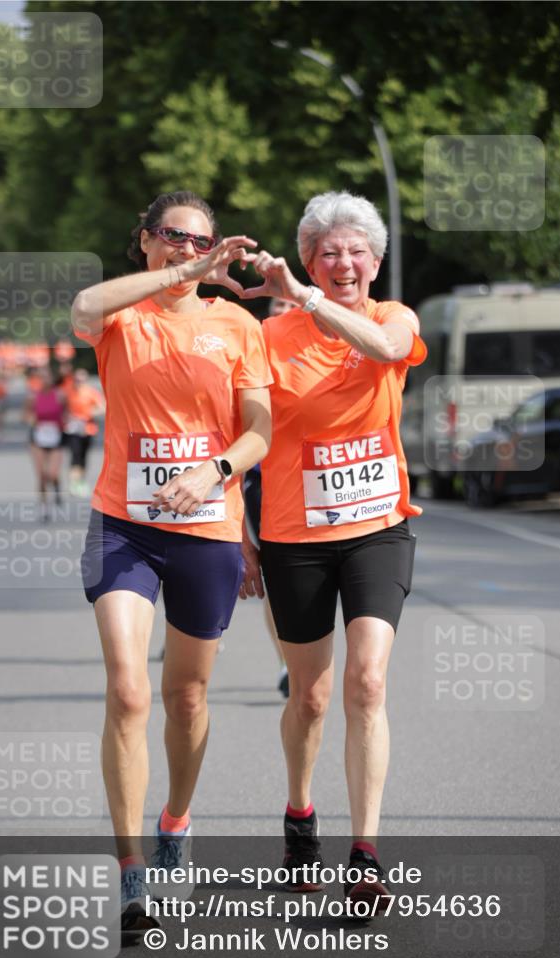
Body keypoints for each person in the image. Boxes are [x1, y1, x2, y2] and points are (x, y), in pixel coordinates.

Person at [70, 190, 271, 936]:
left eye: (200, 242)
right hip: (123, 523)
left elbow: (259, 431)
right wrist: (177, 273)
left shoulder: (237, 326)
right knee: (127, 693)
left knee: (185, 698)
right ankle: (130, 875)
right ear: (147, 241)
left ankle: (176, 821)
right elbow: (84, 303)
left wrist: (215, 473)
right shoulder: (121, 314)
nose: (187, 249)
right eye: (172, 237)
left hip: (207, 526)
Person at [241, 191, 426, 911]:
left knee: (368, 683)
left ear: (374, 262)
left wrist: (307, 300)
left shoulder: (392, 319)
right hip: (295, 536)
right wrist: (240, 533)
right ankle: (298, 818)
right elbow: (244, 435)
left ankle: (366, 853)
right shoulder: (268, 339)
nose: (342, 262)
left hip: (378, 527)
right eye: (326, 253)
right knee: (311, 697)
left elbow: (381, 350)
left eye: (354, 251)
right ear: (310, 260)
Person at [241, 297, 295, 697]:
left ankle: (305, 657)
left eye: (291, 304)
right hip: (265, 484)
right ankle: (285, 664)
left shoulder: (320, 349)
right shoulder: (250, 350)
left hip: (313, 483)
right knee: (278, 583)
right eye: (277, 304)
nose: (283, 311)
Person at [23, 367, 67, 519]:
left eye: (47, 377)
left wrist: (66, 422)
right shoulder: (33, 397)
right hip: (38, 438)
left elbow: (67, 412)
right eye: (41, 378)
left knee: (52, 473)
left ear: (52, 378)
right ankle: (44, 506)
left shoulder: (60, 395)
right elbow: (25, 415)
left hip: (56, 437)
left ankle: (56, 486)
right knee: (41, 474)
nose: (44, 380)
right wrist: (31, 419)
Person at [63, 368, 105, 497]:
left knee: (83, 457)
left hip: (88, 429)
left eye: (81, 380)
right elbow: (62, 408)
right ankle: (73, 482)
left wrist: (88, 413)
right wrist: (68, 417)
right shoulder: (68, 392)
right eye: (76, 380)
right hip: (73, 429)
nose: (79, 382)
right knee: (75, 455)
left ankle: (81, 481)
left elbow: (102, 408)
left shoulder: (91, 392)